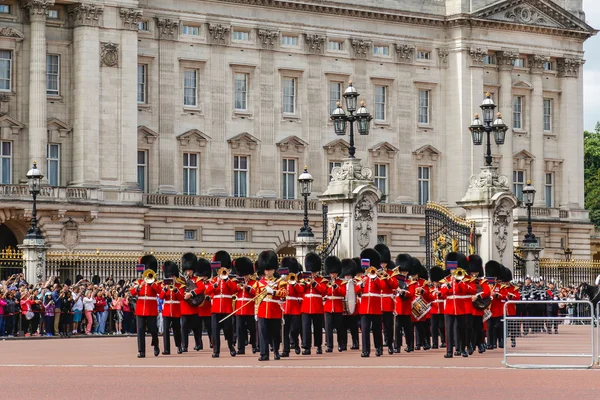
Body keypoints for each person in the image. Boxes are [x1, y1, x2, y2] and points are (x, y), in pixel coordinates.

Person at [249, 250, 287, 361]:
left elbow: (284, 294)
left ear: (274, 269)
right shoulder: (259, 283)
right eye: (266, 269)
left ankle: (276, 352)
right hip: (262, 310)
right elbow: (256, 299)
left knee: (275, 334)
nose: (268, 272)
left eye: (270, 269)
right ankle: (264, 354)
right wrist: (256, 312)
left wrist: (273, 292)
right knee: (263, 334)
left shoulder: (280, 282)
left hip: (275, 310)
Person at [439, 252, 474, 358]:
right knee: (448, 330)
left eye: (455, 269)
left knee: (462, 329)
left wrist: (460, 282)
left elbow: (472, 290)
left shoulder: (465, 279)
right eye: (452, 269)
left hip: (460, 308)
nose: (453, 271)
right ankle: (449, 351)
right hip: (449, 308)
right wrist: (448, 286)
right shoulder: (446, 280)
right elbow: (442, 294)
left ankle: (463, 349)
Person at [206, 251, 238, 358]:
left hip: (227, 309)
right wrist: (216, 283)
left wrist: (226, 279)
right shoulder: (213, 280)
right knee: (215, 332)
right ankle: (216, 351)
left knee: (228, 330)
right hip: (215, 309)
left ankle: (231, 347)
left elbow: (234, 289)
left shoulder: (231, 280)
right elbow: (208, 291)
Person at [356, 248, 387, 357]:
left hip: (375, 307)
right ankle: (365, 350)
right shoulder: (362, 278)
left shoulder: (378, 277)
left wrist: (375, 278)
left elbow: (383, 286)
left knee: (377, 329)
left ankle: (379, 348)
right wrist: (361, 285)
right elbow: (356, 290)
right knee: (364, 330)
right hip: (365, 307)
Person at [131, 254, 162, 358]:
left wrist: (151, 283)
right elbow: (132, 292)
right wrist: (137, 289)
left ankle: (156, 345)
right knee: (140, 330)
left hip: (151, 309)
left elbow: (160, 292)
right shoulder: (139, 282)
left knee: (153, 330)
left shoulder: (156, 282)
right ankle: (141, 351)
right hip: (140, 309)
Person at [300, 252, 327, 355]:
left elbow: (323, 291)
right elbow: (300, 290)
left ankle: (319, 346)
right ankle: (306, 347)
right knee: (306, 328)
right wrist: (305, 283)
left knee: (317, 328)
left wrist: (314, 283)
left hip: (317, 306)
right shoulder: (303, 279)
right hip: (306, 307)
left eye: (314, 272)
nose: (313, 273)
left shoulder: (321, 280)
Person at [374, 244, 398, 355]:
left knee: (388, 326)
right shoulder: (374, 273)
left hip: (387, 303)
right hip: (378, 303)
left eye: (384, 262)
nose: (382, 264)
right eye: (381, 263)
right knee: (378, 326)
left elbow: (395, 285)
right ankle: (379, 347)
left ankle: (389, 345)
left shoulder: (391, 273)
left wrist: (387, 277)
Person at [233, 257, 258, 355]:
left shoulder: (254, 282)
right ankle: (241, 348)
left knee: (252, 329)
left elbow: (256, 293)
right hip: (240, 309)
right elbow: (232, 291)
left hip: (250, 309)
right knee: (240, 329)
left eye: (246, 275)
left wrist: (248, 288)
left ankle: (254, 346)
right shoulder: (237, 282)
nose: (244, 277)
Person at [159, 261, 184, 355]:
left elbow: (181, 297)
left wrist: (176, 290)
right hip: (166, 311)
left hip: (176, 311)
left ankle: (179, 346)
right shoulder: (164, 286)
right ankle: (166, 349)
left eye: (173, 276)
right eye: (170, 276)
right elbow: (161, 297)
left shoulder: (179, 286)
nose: (171, 278)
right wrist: (165, 290)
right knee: (165, 331)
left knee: (177, 330)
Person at [467, 255, 490, 354]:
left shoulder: (482, 281)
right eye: (472, 272)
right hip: (468, 308)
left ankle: (480, 344)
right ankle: (470, 345)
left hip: (477, 309)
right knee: (469, 328)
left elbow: (487, 291)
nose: (474, 274)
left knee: (478, 328)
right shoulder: (466, 281)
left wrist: (477, 296)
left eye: (476, 272)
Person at [180, 253, 203, 352]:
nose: (188, 271)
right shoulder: (181, 280)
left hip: (194, 308)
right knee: (184, 329)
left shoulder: (196, 279)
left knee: (196, 329)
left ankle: (198, 344)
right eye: (187, 270)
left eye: (190, 270)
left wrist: (191, 293)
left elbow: (201, 288)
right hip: (185, 308)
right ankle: (184, 346)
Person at [323, 256, 346, 353]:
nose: (333, 274)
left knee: (339, 327)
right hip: (328, 307)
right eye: (331, 273)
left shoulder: (341, 282)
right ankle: (329, 345)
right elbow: (323, 291)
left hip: (337, 306)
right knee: (328, 327)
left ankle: (341, 344)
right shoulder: (326, 282)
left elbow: (343, 293)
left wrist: (335, 286)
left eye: (334, 273)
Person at [340, 259, 360, 351]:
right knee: (343, 327)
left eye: (349, 274)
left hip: (353, 307)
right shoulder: (341, 282)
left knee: (354, 327)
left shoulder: (355, 281)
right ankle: (344, 344)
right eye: (346, 275)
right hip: (343, 307)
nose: (348, 276)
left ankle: (355, 343)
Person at [428, 266, 446, 350]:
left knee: (442, 326)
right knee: (434, 327)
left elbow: (445, 296)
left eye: (437, 281)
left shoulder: (443, 288)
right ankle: (434, 343)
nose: (436, 283)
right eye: (435, 281)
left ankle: (444, 341)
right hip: (434, 310)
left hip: (442, 309)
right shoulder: (431, 289)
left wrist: (440, 294)